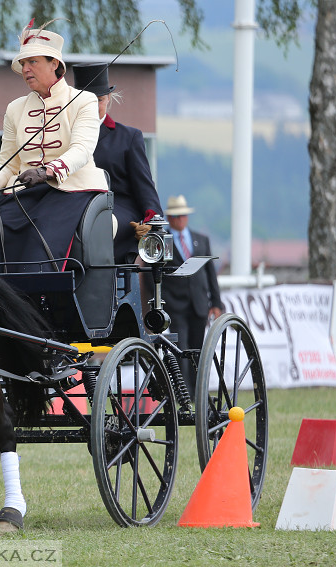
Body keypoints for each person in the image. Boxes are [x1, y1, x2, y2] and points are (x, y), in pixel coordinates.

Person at [0, 20, 108, 273]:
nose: (25, 69)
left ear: (54, 64)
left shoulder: (84, 101)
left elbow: (82, 150)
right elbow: (9, 162)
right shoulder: (15, 108)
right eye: (23, 64)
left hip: (70, 190)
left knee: (37, 250)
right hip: (23, 191)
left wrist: (47, 171)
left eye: (32, 62)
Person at [72, 63, 163, 264]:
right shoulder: (65, 137)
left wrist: (151, 222)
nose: (94, 106)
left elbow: (145, 188)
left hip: (118, 210)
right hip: (74, 209)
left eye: (100, 100)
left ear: (109, 99)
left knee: (99, 224)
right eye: (87, 101)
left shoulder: (129, 137)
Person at [162, 195, 224, 395]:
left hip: (198, 303)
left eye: (182, 216)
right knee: (181, 347)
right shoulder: (164, 241)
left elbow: (210, 273)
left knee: (198, 348)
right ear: (170, 218)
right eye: (175, 216)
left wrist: (216, 301)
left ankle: (199, 391)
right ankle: (184, 392)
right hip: (174, 304)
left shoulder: (201, 240)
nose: (179, 219)